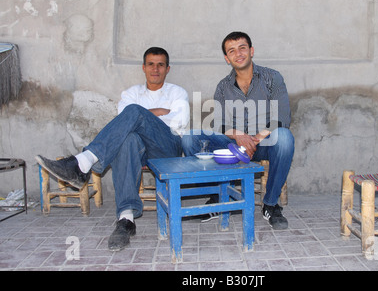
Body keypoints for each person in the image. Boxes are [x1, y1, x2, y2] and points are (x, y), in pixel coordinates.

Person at [36, 47, 190, 251]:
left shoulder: (177, 92)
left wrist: (142, 116)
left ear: (167, 69)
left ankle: (84, 162)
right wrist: (156, 114)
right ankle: (126, 220)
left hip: (167, 147)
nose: (155, 69)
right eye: (151, 64)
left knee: (134, 114)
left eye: (160, 64)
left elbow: (178, 122)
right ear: (143, 67)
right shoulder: (131, 93)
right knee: (128, 139)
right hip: (138, 151)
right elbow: (123, 124)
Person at [182, 32, 295, 230]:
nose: (238, 53)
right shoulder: (223, 87)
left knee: (284, 137)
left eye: (242, 48)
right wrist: (239, 136)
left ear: (251, 51)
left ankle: (270, 204)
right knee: (190, 137)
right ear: (227, 58)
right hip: (233, 144)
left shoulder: (272, 77)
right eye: (231, 50)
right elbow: (219, 124)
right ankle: (221, 197)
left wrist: (255, 139)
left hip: (264, 144)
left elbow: (282, 117)